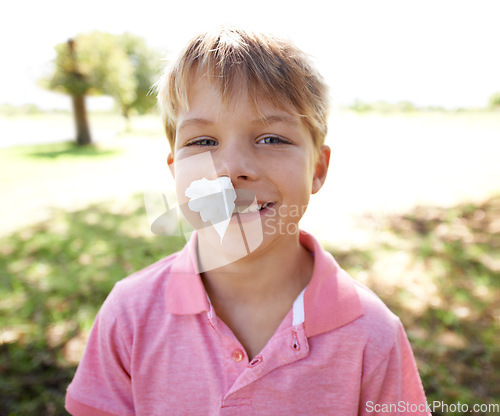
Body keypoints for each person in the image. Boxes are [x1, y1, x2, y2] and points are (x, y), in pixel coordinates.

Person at [65, 26, 430, 416]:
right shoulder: (129, 315)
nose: (231, 169)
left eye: (271, 139)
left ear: (317, 169)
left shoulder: (372, 334)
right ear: (175, 171)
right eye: (203, 141)